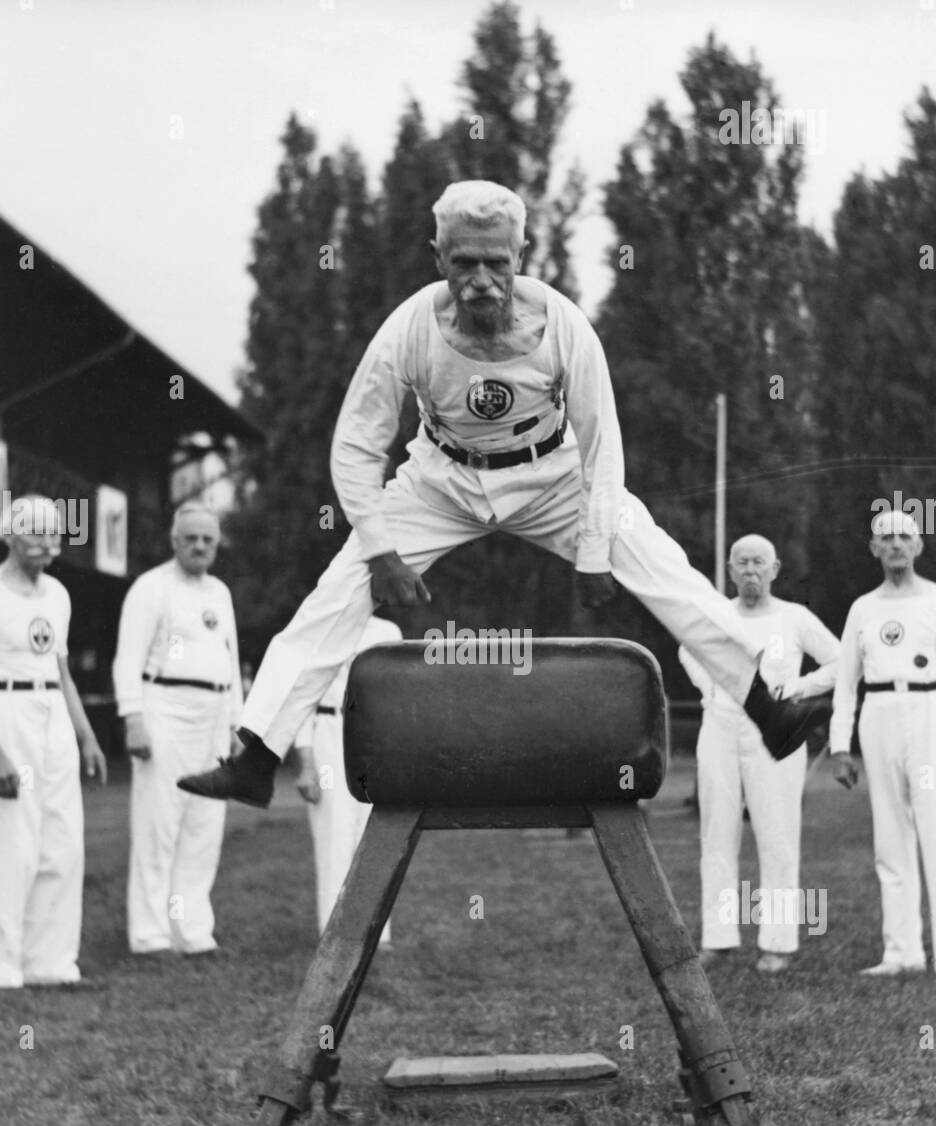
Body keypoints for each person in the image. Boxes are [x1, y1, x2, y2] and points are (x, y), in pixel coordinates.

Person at [178, 180, 824, 811]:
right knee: (337, 594)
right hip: (441, 480)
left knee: (662, 566)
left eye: (496, 263)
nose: (480, 280)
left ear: (522, 255)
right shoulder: (409, 327)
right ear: (439, 259)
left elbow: (604, 448)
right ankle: (256, 759)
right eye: (463, 263)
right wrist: (378, 548)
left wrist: (596, 550)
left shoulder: (565, 325)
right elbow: (356, 445)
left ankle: (769, 710)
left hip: (553, 476)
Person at [679, 535, 839, 973]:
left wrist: (799, 689)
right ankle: (718, 937)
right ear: (730, 570)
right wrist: (713, 688)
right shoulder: (714, 614)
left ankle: (778, 943)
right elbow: (687, 650)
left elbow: (840, 662)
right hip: (720, 725)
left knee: (778, 834)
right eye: (742, 563)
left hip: (777, 731)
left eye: (759, 563)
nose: (750, 570)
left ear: (775, 568)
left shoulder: (795, 617)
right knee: (717, 832)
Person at [112, 501, 243, 955]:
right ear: (174, 541)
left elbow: (230, 659)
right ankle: (149, 935)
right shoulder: (151, 588)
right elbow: (127, 658)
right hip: (163, 707)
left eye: (208, 539)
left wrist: (234, 725)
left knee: (203, 826)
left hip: (212, 714)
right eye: (191, 538)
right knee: (158, 824)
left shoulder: (220, 593)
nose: (200, 546)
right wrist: (133, 719)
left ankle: (192, 930)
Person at [831, 509, 936, 983]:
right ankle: (901, 951)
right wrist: (841, 745)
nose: (897, 544)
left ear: (919, 545)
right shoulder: (863, 608)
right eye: (887, 537)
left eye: (905, 535)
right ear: (874, 548)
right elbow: (846, 683)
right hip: (880, 715)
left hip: (932, 712)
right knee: (890, 836)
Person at [0, 494, 107, 989]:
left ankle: (52, 961)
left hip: (53, 719)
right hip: (9, 715)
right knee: (12, 841)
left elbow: (62, 673)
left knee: (61, 838)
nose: (47, 543)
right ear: (9, 535)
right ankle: (5, 964)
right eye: (36, 533)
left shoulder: (58, 595)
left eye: (54, 534)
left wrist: (86, 736)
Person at [292, 614, 402, 943]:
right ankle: (336, 931)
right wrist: (306, 761)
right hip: (330, 734)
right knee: (334, 837)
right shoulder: (324, 625)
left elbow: (395, 694)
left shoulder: (388, 631)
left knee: (374, 837)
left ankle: (374, 933)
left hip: (375, 738)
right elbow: (303, 698)